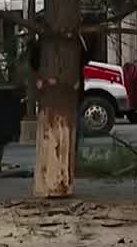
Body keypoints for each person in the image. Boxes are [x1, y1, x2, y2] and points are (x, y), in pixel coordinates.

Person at [27, 22, 91, 157]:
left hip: (70, 91)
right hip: (56, 92)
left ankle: (69, 156)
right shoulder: (42, 44)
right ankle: (59, 157)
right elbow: (34, 62)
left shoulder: (76, 42)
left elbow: (85, 58)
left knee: (70, 128)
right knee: (58, 129)